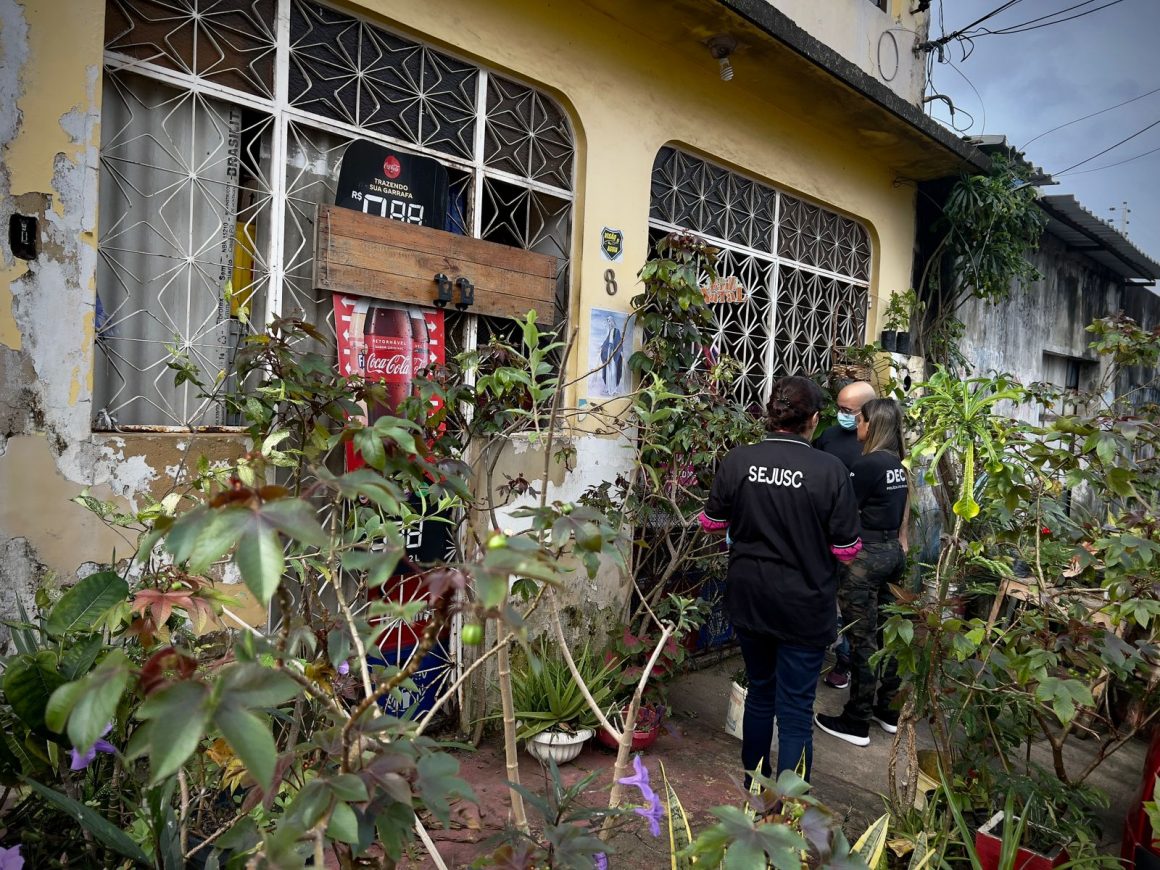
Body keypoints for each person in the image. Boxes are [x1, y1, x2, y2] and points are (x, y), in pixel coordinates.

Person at [700, 376, 862, 782]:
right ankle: (786, 811)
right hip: (804, 606)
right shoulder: (830, 470)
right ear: (814, 419)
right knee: (794, 711)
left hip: (750, 598)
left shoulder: (738, 460)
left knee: (760, 693)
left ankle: (755, 786)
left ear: (771, 414)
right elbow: (847, 549)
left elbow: (710, 523)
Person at [814, 398, 910, 747]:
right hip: (891, 554)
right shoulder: (896, 464)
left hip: (865, 558)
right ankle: (887, 710)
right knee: (890, 637)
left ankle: (856, 721)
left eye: (863, 420)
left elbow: (841, 512)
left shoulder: (867, 464)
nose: (859, 425)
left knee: (863, 640)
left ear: (875, 426)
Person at [814, 380, 877, 690]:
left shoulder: (875, 445)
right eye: (838, 408)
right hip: (822, 532)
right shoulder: (828, 436)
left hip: (856, 537)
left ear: (866, 412)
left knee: (851, 603)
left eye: (847, 411)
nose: (841, 414)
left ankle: (845, 662)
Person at [599, 315, 623, 392]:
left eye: (609, 321)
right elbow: (607, 341)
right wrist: (603, 346)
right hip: (609, 351)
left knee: (613, 369)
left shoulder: (616, 331)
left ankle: (614, 388)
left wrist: (614, 347)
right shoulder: (609, 331)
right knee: (607, 369)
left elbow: (618, 341)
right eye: (608, 321)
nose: (609, 323)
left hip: (614, 352)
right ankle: (608, 387)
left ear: (612, 321)